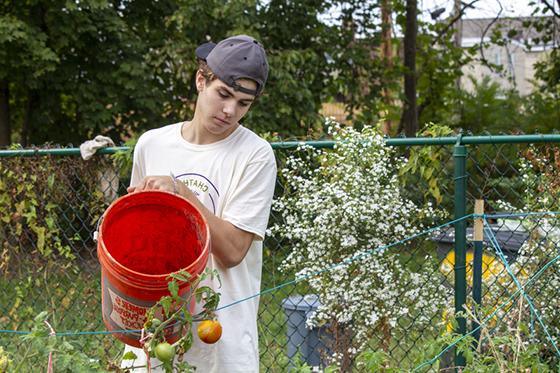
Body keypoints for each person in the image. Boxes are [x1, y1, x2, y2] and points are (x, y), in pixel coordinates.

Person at [122, 34, 277, 372]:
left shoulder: (255, 155)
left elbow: (234, 251)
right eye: (223, 94)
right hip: (153, 340)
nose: (229, 111)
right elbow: (135, 243)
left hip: (222, 345)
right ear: (200, 80)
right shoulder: (151, 144)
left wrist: (184, 195)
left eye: (243, 104)